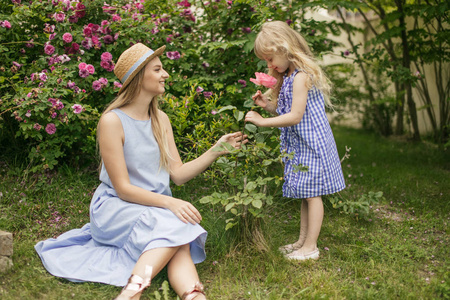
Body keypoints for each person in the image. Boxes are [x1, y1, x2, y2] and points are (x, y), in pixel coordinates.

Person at [35, 43, 246, 300]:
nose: (166, 74)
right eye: (157, 69)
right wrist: (170, 202)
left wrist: (216, 150)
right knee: (176, 224)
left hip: (154, 210)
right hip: (116, 208)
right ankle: (134, 293)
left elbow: (177, 174)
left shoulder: (161, 120)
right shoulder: (112, 121)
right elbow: (123, 188)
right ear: (138, 77)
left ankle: (192, 296)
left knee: (177, 234)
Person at [244, 21, 345, 261]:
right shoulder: (288, 76)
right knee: (306, 193)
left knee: (314, 195)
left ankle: (311, 247)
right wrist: (268, 106)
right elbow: (285, 110)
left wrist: (260, 121)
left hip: (313, 144)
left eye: (270, 59)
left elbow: (295, 116)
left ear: (285, 48)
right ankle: (302, 241)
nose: (269, 65)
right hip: (301, 144)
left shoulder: (301, 77)